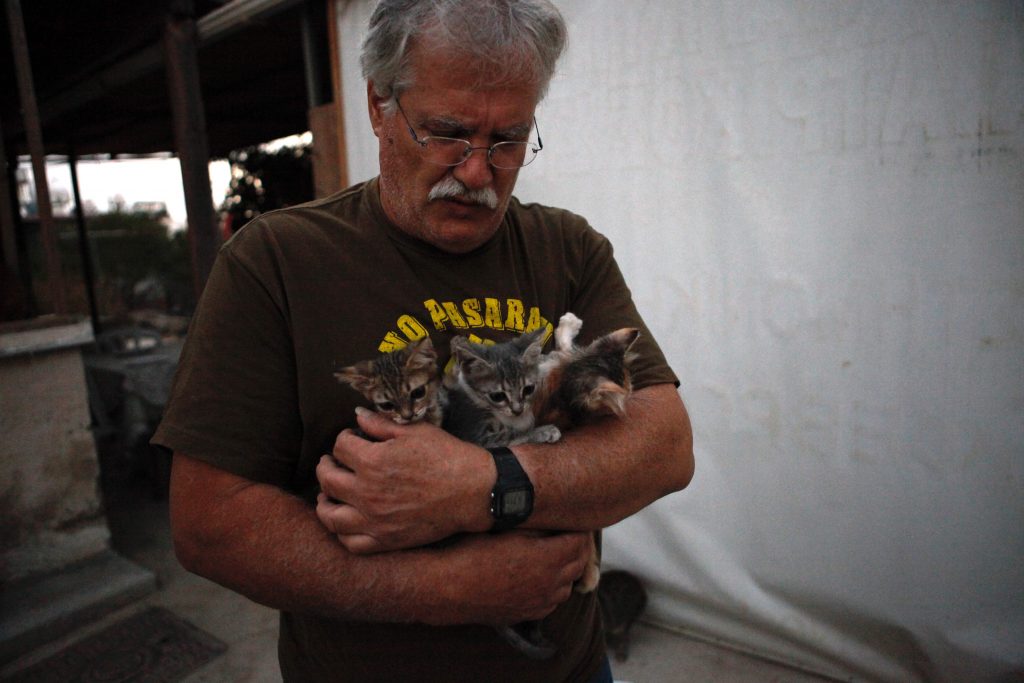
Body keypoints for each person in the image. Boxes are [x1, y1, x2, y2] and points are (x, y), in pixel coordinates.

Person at [154, 0, 694, 680]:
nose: (476, 172)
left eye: (508, 140)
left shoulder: (568, 249)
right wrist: (441, 589)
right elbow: (208, 523)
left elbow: (666, 445)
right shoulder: (275, 264)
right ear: (380, 105)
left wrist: (486, 484)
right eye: (447, 132)